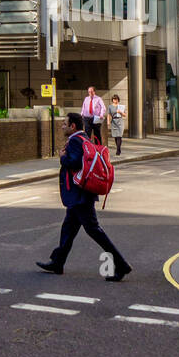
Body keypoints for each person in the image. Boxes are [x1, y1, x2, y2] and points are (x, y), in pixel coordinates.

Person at [37, 112, 131, 281]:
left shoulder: (74, 141)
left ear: (73, 126)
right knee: (68, 229)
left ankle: (121, 265)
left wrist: (62, 157)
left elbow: (73, 163)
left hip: (80, 195)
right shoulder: (85, 138)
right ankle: (57, 262)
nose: (62, 126)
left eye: (65, 123)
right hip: (81, 195)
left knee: (95, 231)